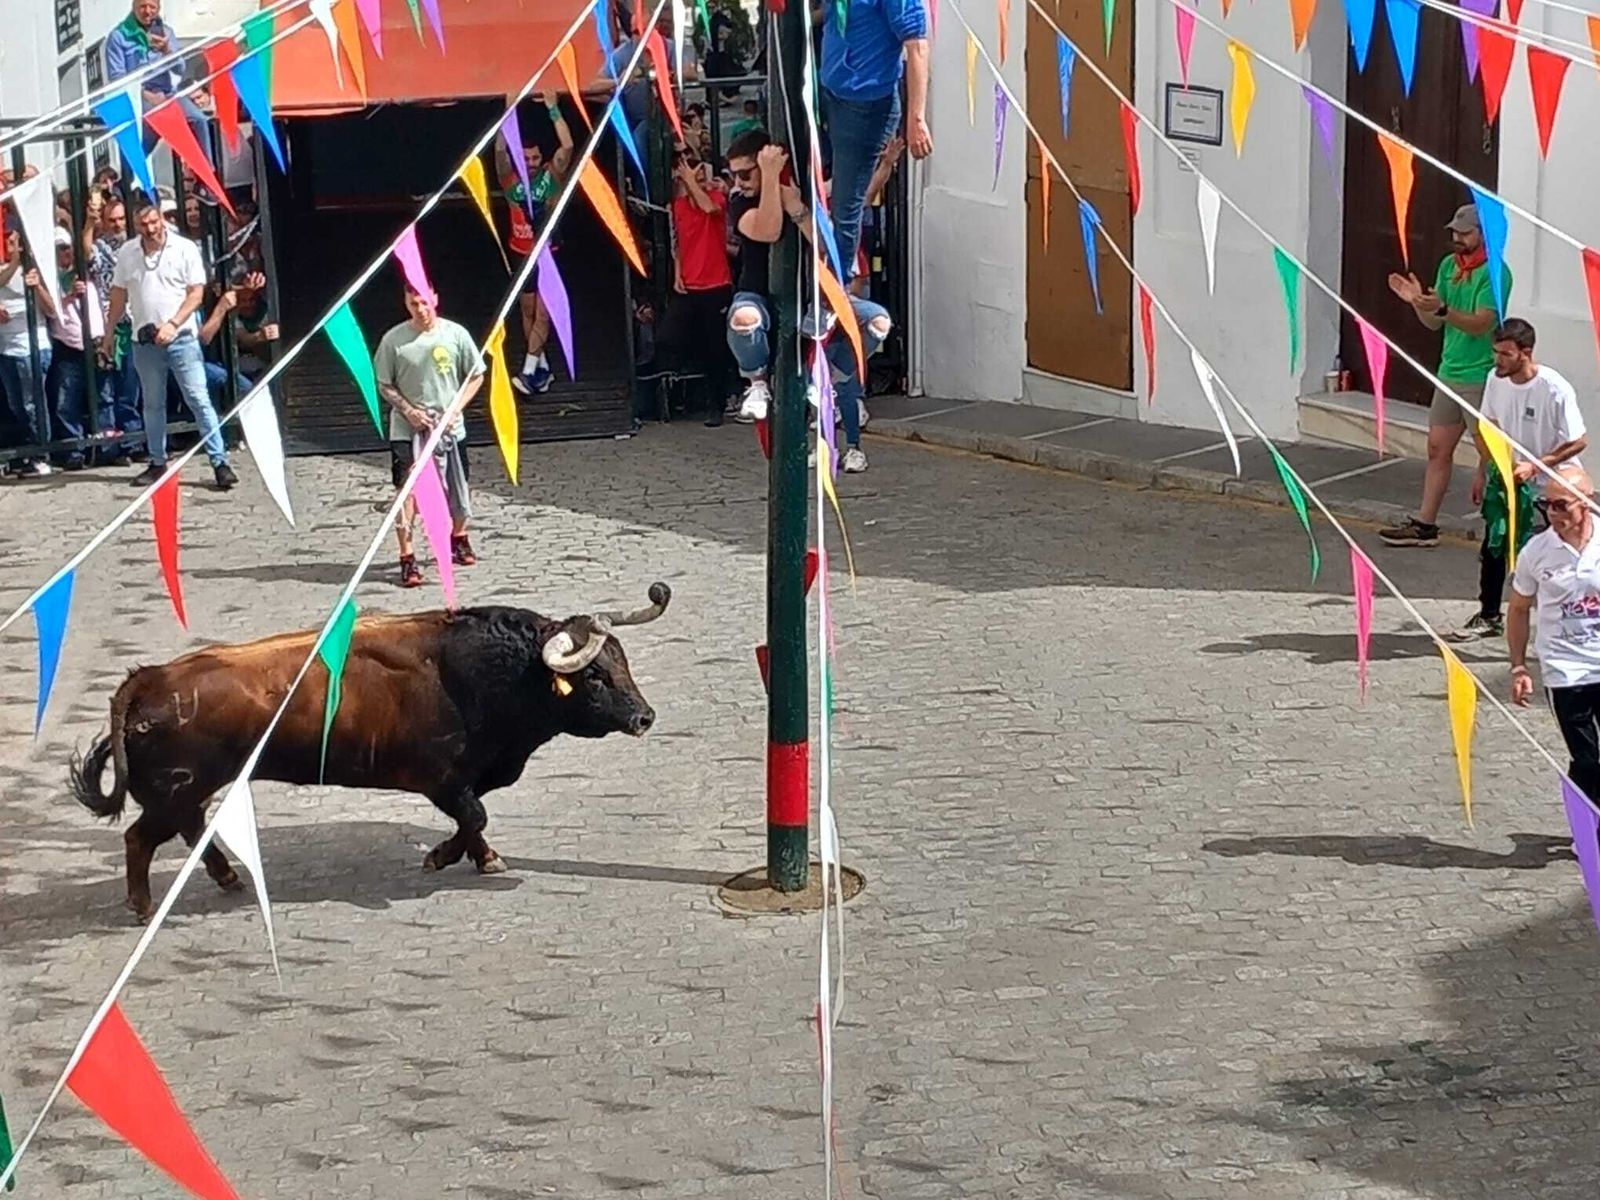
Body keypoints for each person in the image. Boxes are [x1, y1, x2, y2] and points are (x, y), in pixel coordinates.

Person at [724, 131, 892, 467]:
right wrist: (769, 179)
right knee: (743, 319)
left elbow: (827, 244)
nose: (737, 182)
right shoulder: (740, 201)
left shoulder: (801, 193)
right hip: (759, 297)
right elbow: (769, 230)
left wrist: (798, 208)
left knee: (877, 321)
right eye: (733, 174)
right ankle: (756, 380)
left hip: (813, 300)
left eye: (745, 173)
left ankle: (833, 374)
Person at [1448, 318, 1587, 643]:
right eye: (1496, 352)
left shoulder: (1554, 388)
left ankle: (1575, 621)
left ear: (1526, 353)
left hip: (1553, 486)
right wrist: (1483, 471)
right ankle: (1489, 615)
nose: (1497, 360)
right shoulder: (1495, 381)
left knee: (1564, 554)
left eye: (1505, 354)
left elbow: (1579, 441)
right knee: (1495, 547)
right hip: (1510, 482)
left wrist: (1536, 467)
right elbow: (1489, 427)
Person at [1380, 204, 1509, 548]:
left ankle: (1503, 526)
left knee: (1492, 455)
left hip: (1481, 376)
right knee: (1438, 449)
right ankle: (1425, 524)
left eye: (1465, 233)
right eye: (1454, 232)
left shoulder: (1495, 273)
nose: (1457, 239)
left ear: (1483, 234)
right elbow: (1434, 323)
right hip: (1449, 372)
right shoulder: (1448, 267)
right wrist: (1419, 303)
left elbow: (1482, 323)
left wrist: (1441, 308)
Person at [101, 201, 237, 489]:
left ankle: (219, 461)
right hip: (145, 340)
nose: (150, 229)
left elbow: (196, 294)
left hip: (181, 338)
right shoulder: (128, 252)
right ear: (136, 225)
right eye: (144, 225)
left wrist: (173, 324)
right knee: (152, 404)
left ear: (161, 219)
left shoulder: (184, 248)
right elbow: (118, 295)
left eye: (154, 222)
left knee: (198, 398)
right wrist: (109, 332)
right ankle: (158, 460)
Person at [373, 282, 485, 588]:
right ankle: (407, 557)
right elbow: (384, 383)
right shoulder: (394, 341)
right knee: (406, 490)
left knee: (459, 484)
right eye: (413, 304)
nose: (421, 310)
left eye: (424, 302)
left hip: (449, 428)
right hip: (408, 429)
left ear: (435, 298)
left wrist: (455, 409)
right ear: (405, 304)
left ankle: (458, 538)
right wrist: (408, 410)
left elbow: (476, 375)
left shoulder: (456, 335)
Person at [819, 0, 930, 296]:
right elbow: (831, 15)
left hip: (865, 106)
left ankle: (836, 294)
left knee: (846, 204)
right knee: (814, 184)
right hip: (830, 94)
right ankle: (823, 281)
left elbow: (917, 47)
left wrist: (915, 119)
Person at [1509, 463, 1600, 804]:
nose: (1551, 514)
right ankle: (1588, 831)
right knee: (1588, 759)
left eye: (1561, 505)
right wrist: (1518, 667)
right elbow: (1518, 610)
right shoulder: (1536, 551)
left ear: (1586, 502)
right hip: (1565, 669)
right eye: (1546, 505)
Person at [495, 92, 574, 396]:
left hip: (548, 254)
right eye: (525, 159)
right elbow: (499, 151)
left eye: (535, 158)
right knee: (527, 312)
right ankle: (540, 368)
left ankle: (528, 372)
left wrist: (553, 108)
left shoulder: (550, 176)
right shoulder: (510, 180)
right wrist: (509, 111)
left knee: (543, 314)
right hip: (519, 253)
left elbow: (567, 146)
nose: (530, 163)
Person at [104, 0, 215, 200]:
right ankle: (127, 182)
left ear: (158, 8)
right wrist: (143, 93)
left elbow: (180, 69)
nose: (147, 12)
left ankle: (205, 179)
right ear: (134, 6)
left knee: (199, 119)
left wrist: (166, 51)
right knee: (148, 136)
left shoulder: (166, 32)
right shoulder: (119, 37)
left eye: (152, 7)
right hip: (140, 95)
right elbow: (116, 77)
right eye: (143, 6)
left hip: (167, 94)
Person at [660, 146, 733, 427]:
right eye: (695, 178)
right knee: (669, 336)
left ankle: (717, 404)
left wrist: (691, 181)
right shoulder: (678, 207)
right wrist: (678, 272)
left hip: (716, 284)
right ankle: (696, 393)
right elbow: (679, 242)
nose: (700, 182)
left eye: (702, 178)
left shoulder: (715, 198)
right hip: (690, 284)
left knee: (715, 348)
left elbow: (708, 207)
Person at [83, 193, 144, 460]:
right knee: (106, 391)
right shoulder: (101, 246)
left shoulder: (138, 247)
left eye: (121, 219)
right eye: (112, 220)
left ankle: (134, 442)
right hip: (109, 325)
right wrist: (88, 223)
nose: (118, 224)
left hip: (135, 323)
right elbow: (86, 251)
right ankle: (110, 447)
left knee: (130, 389)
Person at [46, 226, 109, 471]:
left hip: (96, 340)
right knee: (66, 400)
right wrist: (69, 295)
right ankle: (74, 449)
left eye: (69, 247)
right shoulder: (50, 279)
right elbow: (49, 310)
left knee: (104, 396)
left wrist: (91, 222)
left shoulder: (88, 270)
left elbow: (92, 256)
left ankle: (107, 446)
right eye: (61, 248)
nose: (67, 253)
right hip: (68, 344)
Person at [0, 229, 57, 476]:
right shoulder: (4, 270)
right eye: (11, 243)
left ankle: (41, 453)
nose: (15, 248)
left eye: (18, 244)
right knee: (16, 404)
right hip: (8, 348)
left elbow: (52, 309)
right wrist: (14, 263)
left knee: (33, 403)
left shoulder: (38, 270)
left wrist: (37, 288)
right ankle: (28, 451)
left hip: (32, 346)